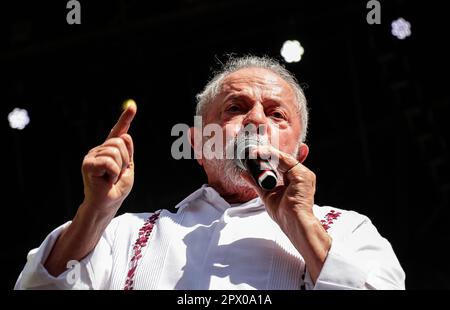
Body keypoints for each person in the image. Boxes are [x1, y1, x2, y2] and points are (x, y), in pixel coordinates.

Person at [14, 56, 405, 290]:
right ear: (199, 145)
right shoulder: (123, 234)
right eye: (235, 108)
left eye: (276, 114)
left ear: (299, 154)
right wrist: (96, 211)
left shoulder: (347, 231)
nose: (255, 119)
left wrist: (302, 223)